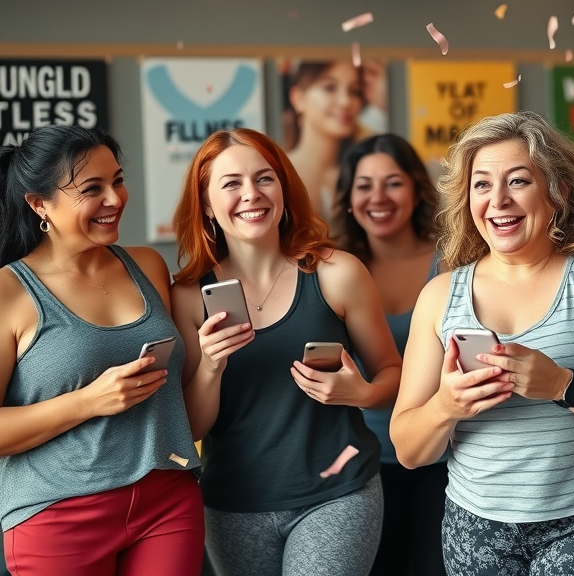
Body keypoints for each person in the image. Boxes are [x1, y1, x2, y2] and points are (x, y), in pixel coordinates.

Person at [391, 111, 574, 576]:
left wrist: (565, 385)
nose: (498, 200)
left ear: (557, 190)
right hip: (475, 525)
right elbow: (408, 450)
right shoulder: (441, 296)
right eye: (482, 184)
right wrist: (446, 406)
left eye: (518, 181)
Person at [170, 128, 402, 576]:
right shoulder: (186, 296)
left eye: (265, 178)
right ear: (205, 204)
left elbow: (393, 374)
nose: (251, 194)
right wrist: (212, 367)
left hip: (338, 494)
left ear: (284, 188)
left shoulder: (337, 273)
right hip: (233, 501)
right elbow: (193, 426)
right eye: (231, 183)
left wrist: (360, 394)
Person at [0, 125, 203, 576]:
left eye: (118, 180)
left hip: (167, 498)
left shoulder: (149, 265)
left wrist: (214, 359)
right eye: (93, 188)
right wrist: (90, 402)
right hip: (58, 514)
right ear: (39, 204)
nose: (115, 198)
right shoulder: (9, 292)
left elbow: (178, 393)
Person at [331, 134, 447, 576]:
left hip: (444, 454)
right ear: (348, 197)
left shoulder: (452, 260)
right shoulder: (332, 268)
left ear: (417, 189)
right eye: (364, 185)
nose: (377, 197)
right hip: (361, 462)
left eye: (393, 183)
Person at [284, 60, 369, 219]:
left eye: (355, 91)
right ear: (298, 98)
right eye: (329, 87)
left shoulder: (364, 175)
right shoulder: (278, 173)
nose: (345, 101)